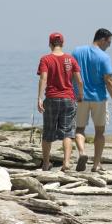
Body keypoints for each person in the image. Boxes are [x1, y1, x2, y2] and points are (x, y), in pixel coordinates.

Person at [72, 28, 112, 172]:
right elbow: (109, 80)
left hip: (79, 97)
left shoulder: (76, 52)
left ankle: (82, 152)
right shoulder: (104, 57)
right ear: (102, 39)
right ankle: (96, 164)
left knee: (79, 128)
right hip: (98, 98)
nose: (109, 45)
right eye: (109, 42)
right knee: (100, 132)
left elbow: (71, 74)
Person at [36, 32, 83, 172]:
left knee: (48, 132)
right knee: (68, 132)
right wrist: (81, 94)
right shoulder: (70, 59)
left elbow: (43, 78)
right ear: (62, 43)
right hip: (68, 98)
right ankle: (66, 163)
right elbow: (79, 80)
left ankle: (45, 163)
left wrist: (39, 98)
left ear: (50, 44)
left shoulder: (45, 59)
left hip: (51, 98)